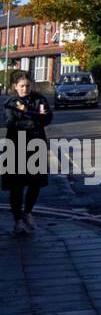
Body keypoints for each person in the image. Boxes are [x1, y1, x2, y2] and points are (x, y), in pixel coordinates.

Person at [3, 71, 53, 236]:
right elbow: (11, 122)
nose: (25, 89)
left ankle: (28, 212)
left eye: (27, 86)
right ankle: (18, 220)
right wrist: (34, 120)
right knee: (16, 186)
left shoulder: (39, 99)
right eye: (22, 86)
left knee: (35, 183)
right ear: (15, 87)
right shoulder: (10, 102)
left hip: (36, 145)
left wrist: (29, 114)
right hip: (15, 147)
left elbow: (47, 119)